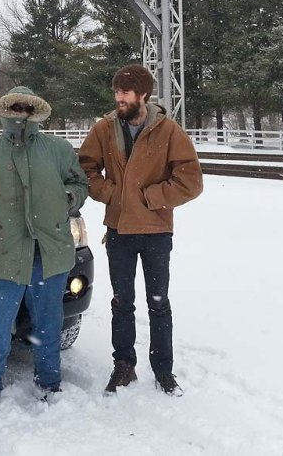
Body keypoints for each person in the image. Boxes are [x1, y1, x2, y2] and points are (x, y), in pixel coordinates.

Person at [0, 86, 88, 428]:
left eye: (26, 107)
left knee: (49, 325)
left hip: (50, 251)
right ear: (4, 110)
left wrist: (68, 198)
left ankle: (49, 384)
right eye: (14, 107)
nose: (20, 112)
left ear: (36, 110)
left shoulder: (57, 150)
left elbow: (80, 183)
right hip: (4, 253)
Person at [79, 64, 203, 397]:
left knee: (158, 303)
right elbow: (85, 168)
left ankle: (164, 370)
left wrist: (153, 197)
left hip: (156, 231)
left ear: (143, 95)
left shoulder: (168, 131)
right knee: (122, 302)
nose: (119, 98)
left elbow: (191, 181)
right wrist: (110, 194)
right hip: (119, 230)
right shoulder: (105, 128)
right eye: (117, 92)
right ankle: (124, 367)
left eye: (126, 93)